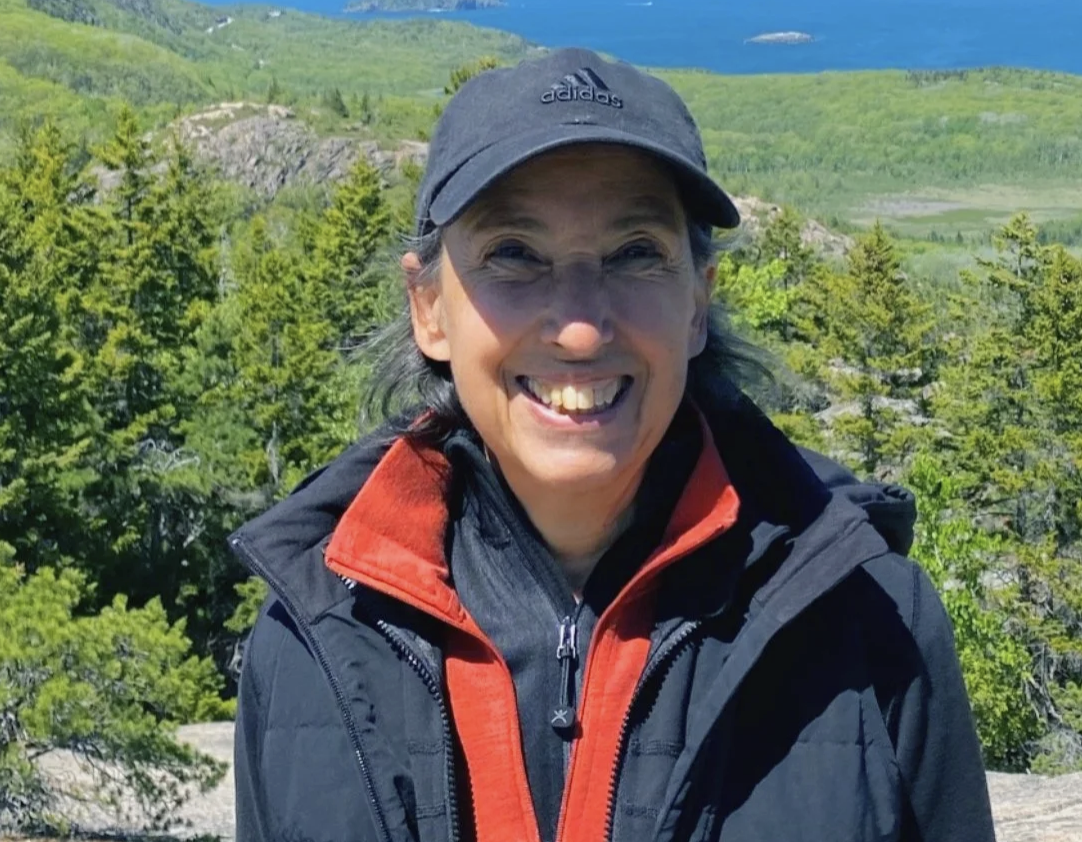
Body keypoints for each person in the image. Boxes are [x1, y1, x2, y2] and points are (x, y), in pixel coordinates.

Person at [230, 47, 997, 842]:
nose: (580, 327)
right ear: (429, 308)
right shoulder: (310, 639)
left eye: (636, 253)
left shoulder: (869, 618)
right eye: (513, 254)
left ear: (697, 304)